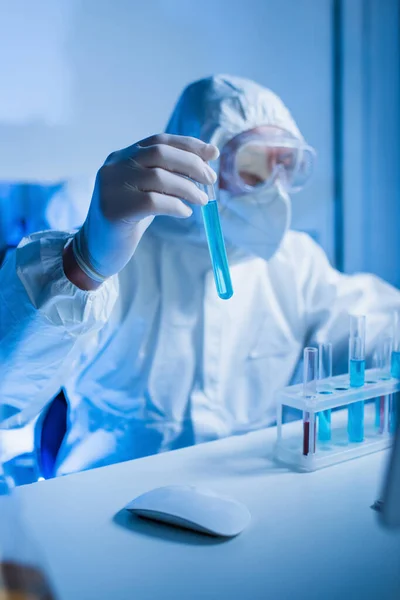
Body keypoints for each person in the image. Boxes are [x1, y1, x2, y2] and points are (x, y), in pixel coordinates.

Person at [0, 74, 399, 477]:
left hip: (250, 501)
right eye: (255, 163)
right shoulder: (122, 248)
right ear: (202, 161)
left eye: (287, 165)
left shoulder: (294, 261)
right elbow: (7, 396)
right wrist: (83, 265)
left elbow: (375, 325)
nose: (273, 188)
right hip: (108, 505)